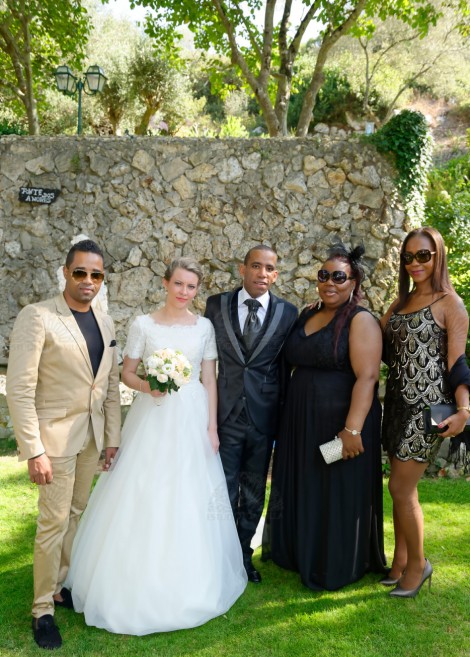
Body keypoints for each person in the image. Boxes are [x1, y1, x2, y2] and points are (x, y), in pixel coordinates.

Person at [65, 257, 247, 635]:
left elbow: (209, 379)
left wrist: (212, 427)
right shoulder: (143, 325)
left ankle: (191, 577)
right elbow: (127, 373)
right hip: (153, 414)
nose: (184, 292)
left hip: (192, 416)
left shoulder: (204, 327)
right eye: (178, 284)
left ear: (197, 290)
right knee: (143, 487)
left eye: (191, 287)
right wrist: (150, 385)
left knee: (190, 491)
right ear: (165, 283)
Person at [6, 239, 121, 650]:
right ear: (65, 272)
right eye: (81, 272)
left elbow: (108, 387)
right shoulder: (38, 316)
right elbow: (20, 389)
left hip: (91, 437)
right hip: (53, 440)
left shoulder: (105, 321)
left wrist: (112, 438)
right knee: (52, 522)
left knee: (75, 513)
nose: (88, 280)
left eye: (96, 274)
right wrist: (33, 449)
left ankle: (57, 587)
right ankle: (42, 611)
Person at [263, 244, 387, 591]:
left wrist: (352, 430)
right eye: (323, 275)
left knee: (335, 486)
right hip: (301, 421)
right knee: (309, 482)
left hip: (341, 424)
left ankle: (334, 561)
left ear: (353, 282)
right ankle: (299, 551)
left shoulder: (360, 320)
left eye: (338, 277)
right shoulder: (308, 313)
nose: (329, 282)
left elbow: (367, 377)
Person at [381, 226, 470, 598]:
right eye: (408, 257)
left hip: (431, 409)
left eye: (423, 255)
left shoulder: (451, 303)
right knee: (399, 487)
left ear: (438, 257)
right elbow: (376, 340)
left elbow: (458, 364)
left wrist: (464, 409)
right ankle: (400, 562)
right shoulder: (400, 303)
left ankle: (418, 566)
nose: (414, 263)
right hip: (396, 404)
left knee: (401, 487)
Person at [204, 245, 298, 583]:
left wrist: (282, 418)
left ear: (276, 274)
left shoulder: (288, 313)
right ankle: (221, 555)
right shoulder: (216, 304)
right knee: (224, 489)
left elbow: (285, 367)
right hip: (226, 414)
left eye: (269, 268)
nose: (262, 273)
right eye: (256, 266)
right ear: (242, 269)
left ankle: (244, 555)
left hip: (264, 417)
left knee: (255, 490)